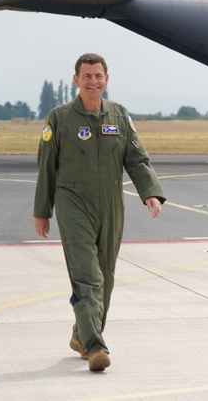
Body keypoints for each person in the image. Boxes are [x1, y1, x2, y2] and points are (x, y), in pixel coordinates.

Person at [33, 53, 165, 372]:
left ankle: (81, 334)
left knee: (105, 278)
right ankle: (95, 346)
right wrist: (42, 211)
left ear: (107, 79)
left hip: (110, 204)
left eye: (98, 75)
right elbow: (46, 168)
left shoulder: (119, 116)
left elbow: (136, 158)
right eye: (87, 76)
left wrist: (150, 193)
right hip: (72, 203)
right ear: (76, 80)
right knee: (86, 277)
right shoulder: (59, 119)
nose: (93, 81)